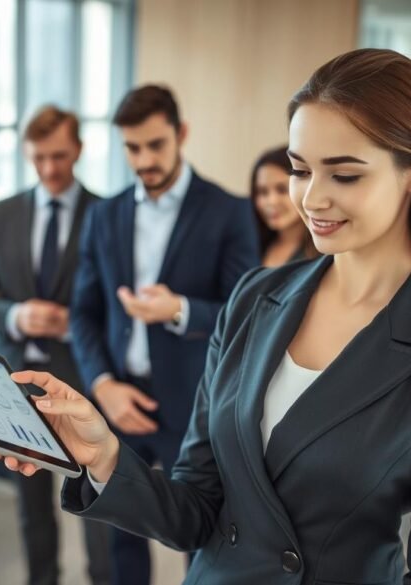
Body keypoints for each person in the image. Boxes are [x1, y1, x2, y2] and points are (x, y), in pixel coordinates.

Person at [0, 49, 411, 584]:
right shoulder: (255, 298)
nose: (312, 199)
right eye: (300, 170)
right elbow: (200, 509)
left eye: (344, 175)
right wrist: (104, 456)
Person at [69, 85, 260, 585]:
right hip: (121, 396)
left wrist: (178, 309)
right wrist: (103, 384)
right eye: (133, 148)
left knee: (200, 534)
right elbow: (83, 313)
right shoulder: (104, 215)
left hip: (193, 404)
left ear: (182, 135)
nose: (144, 159)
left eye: (156, 145)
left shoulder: (228, 211)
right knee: (121, 529)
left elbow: (248, 314)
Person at [0, 105, 110, 585]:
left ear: (80, 150)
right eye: (39, 157)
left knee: (98, 501)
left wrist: (76, 323)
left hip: (83, 379)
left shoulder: (107, 216)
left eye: (60, 156)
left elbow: (121, 307)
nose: (49, 169)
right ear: (27, 152)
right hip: (14, 383)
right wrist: (14, 315)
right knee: (29, 505)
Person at [250, 146, 316, 266]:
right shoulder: (251, 246)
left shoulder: (324, 254)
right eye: (263, 192)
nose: (272, 201)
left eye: (282, 189)